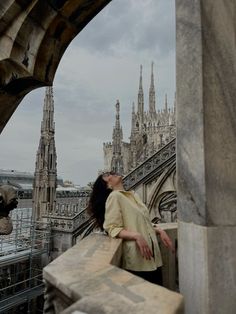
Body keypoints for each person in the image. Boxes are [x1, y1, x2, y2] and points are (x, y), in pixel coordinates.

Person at [88, 171, 174, 285]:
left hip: (153, 257)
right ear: (108, 184)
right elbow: (112, 227)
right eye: (107, 175)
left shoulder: (131, 195)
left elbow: (142, 222)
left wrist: (159, 230)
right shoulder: (114, 196)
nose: (111, 173)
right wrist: (136, 236)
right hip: (137, 259)